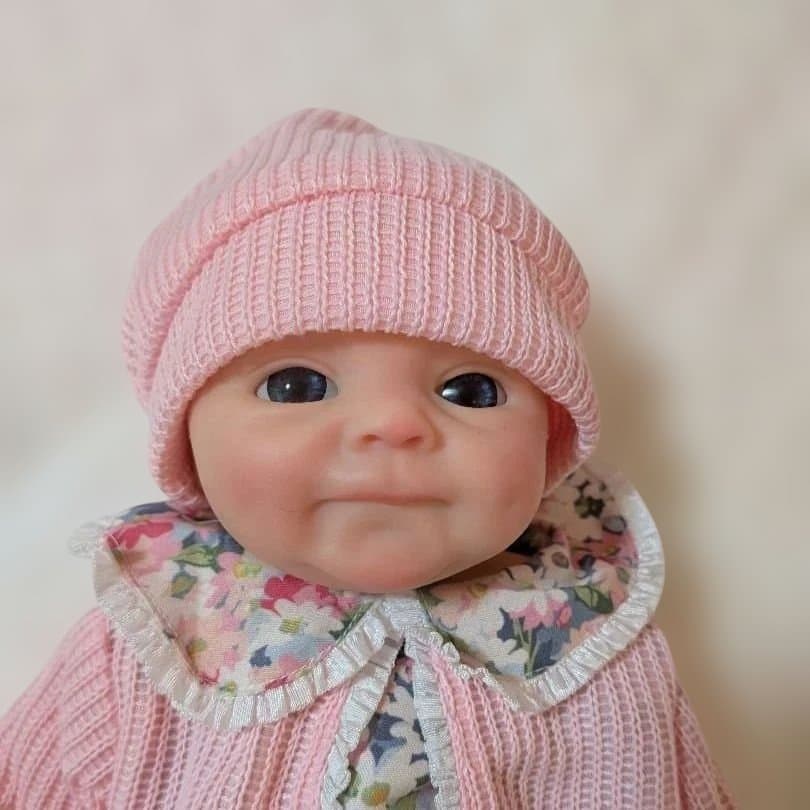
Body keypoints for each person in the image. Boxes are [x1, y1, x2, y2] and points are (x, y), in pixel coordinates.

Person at [0, 108, 736, 808]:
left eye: (469, 390)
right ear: (187, 441)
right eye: (297, 385)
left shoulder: (594, 642)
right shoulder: (154, 643)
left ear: (550, 441)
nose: (394, 425)